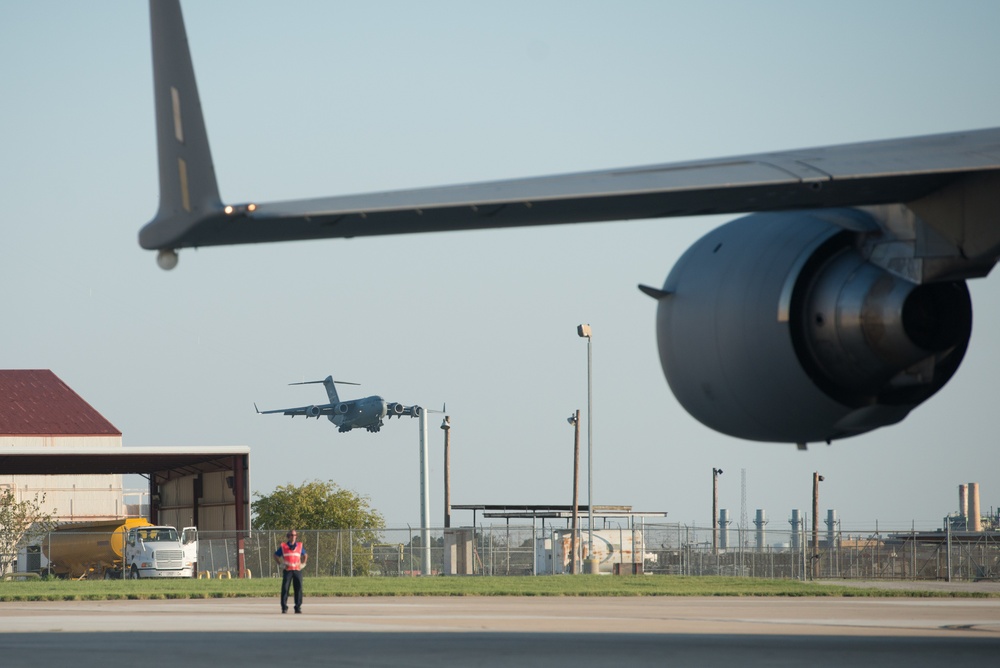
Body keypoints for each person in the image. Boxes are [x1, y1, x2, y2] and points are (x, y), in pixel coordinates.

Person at [274, 530, 307, 613]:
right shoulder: (284, 547)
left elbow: (305, 555)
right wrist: (280, 564)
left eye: (295, 535)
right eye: (291, 535)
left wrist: (303, 563)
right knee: (285, 588)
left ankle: (298, 607)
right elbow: (276, 555)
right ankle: (284, 607)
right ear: (288, 536)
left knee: (298, 588)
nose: (293, 537)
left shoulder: (299, 546)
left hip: (297, 570)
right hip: (288, 570)